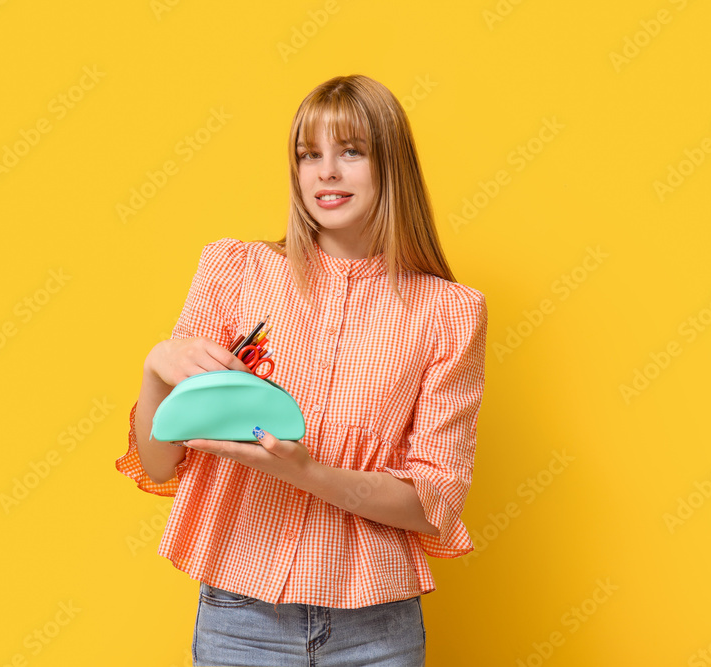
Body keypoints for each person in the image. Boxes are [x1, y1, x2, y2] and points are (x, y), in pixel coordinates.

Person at [115, 74, 489, 667]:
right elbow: (161, 462)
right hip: (240, 621)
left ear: (392, 166)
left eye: (351, 152)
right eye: (308, 155)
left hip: (377, 630)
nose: (326, 173)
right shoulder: (235, 270)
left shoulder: (450, 312)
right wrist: (156, 370)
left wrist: (307, 469)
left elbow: (433, 501)